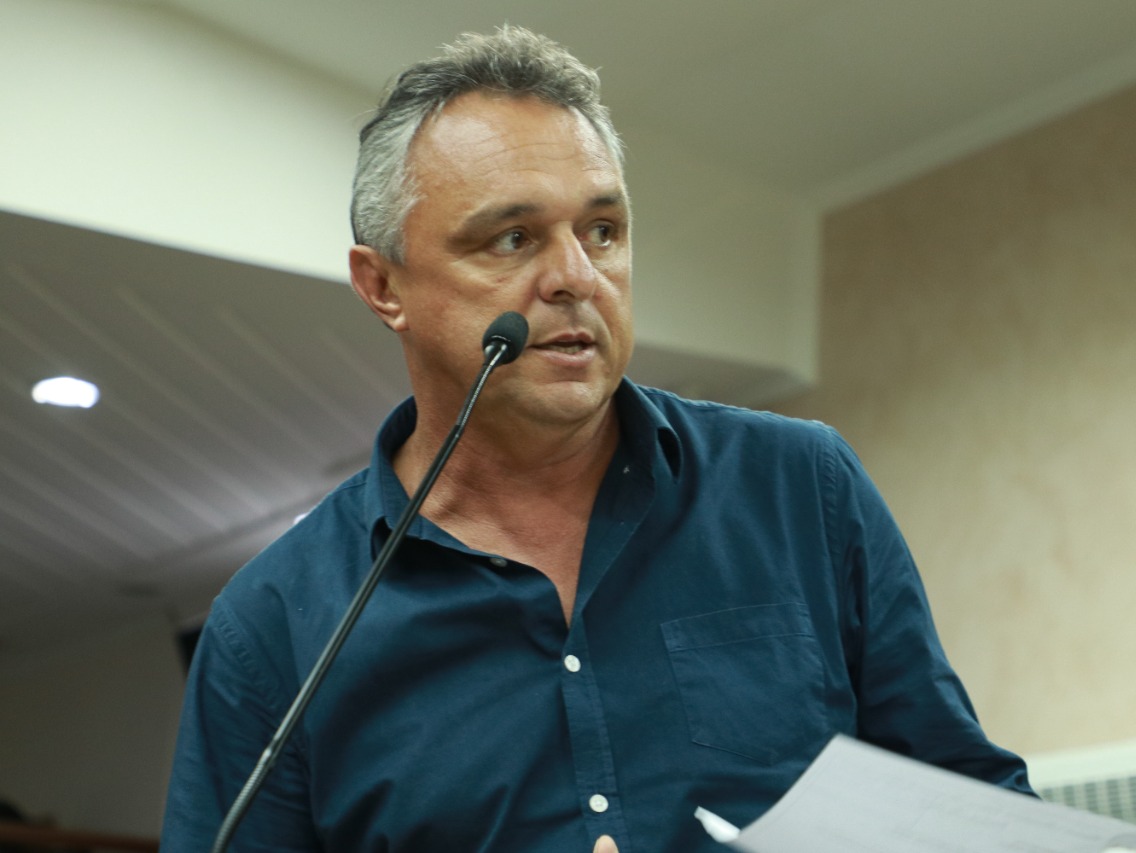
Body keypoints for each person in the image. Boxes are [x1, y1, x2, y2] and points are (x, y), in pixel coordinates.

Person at [160, 25, 1033, 853]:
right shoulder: (270, 627)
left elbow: (976, 810)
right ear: (383, 285)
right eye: (513, 238)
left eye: (603, 231)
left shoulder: (803, 486)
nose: (577, 276)